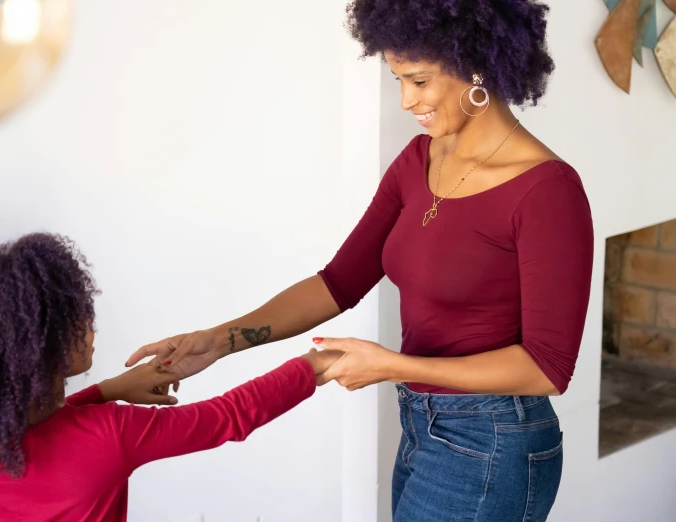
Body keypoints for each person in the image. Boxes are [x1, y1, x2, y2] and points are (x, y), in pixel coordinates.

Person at [124, 1, 594, 520]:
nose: (405, 100)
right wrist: (219, 340)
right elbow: (337, 283)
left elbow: (546, 368)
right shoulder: (419, 159)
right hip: (422, 425)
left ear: (475, 64)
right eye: (397, 79)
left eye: (418, 81)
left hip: (495, 439)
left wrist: (392, 365)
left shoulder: (547, 190)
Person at [0, 233, 341, 522]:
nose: (91, 328)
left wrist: (109, 389)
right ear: (38, 349)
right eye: (77, 320)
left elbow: (53, 432)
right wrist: (313, 367)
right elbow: (229, 416)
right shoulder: (112, 433)